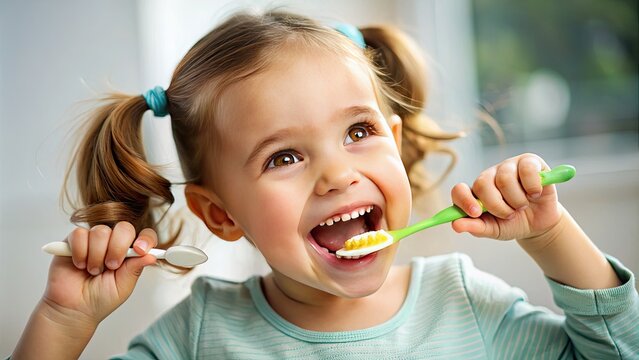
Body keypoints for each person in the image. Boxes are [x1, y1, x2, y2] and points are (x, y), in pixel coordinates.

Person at [10, 10, 638, 359]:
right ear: (220, 214)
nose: (338, 173)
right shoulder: (199, 337)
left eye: (359, 132)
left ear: (394, 139)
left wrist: (552, 237)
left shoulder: (464, 304)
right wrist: (64, 323)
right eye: (283, 158)